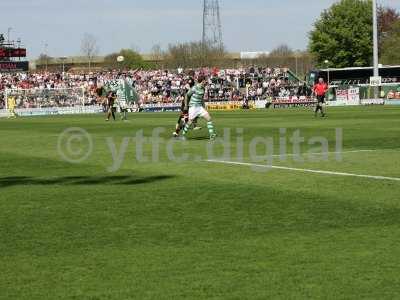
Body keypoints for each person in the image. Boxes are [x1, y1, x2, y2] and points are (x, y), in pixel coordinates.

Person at [181, 75, 216, 140]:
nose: (206, 82)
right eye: (205, 80)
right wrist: (186, 105)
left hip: (199, 107)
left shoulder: (203, 88)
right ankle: (183, 133)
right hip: (193, 107)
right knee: (190, 122)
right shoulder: (194, 88)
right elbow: (187, 95)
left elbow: (202, 99)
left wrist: (204, 106)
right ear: (202, 81)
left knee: (209, 118)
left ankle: (212, 135)